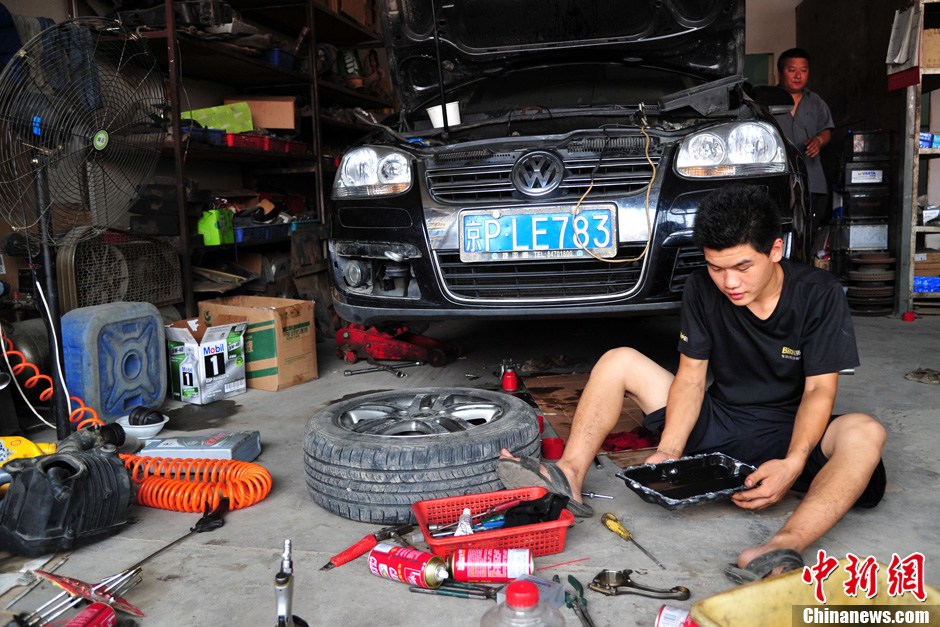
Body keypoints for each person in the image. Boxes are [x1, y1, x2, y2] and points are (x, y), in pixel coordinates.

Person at [497, 184, 886, 581]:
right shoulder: (702, 289)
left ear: (775, 250)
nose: (729, 282)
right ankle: (570, 474)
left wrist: (794, 461)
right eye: (717, 268)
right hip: (717, 423)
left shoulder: (817, 294)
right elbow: (691, 377)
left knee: (865, 431)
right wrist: (669, 450)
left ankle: (781, 546)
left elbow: (819, 389)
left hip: (790, 436)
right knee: (619, 360)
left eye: (742, 267)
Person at [774, 48, 834, 225]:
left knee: (810, 228)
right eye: (792, 70)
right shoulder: (767, 101)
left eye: (804, 70)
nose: (798, 76)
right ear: (780, 73)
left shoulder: (816, 102)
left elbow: (827, 129)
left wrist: (819, 141)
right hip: (779, 180)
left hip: (812, 179)